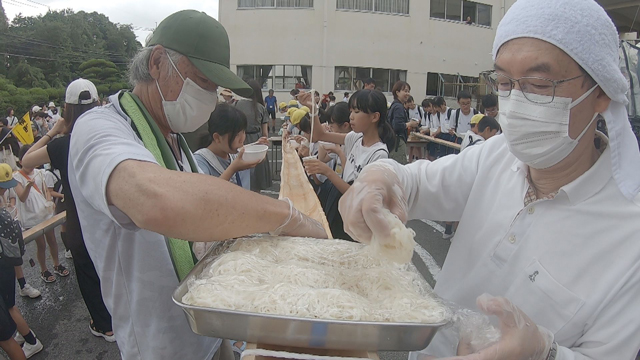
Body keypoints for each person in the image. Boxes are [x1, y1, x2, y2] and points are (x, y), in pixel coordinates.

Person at [339, 0, 640, 358]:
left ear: (602, 92)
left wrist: (544, 352)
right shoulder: (498, 155)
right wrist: (377, 177)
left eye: (540, 84)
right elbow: (414, 183)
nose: (517, 100)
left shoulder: (628, 238)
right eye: (504, 82)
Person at [67, 10, 326, 360]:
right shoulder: (100, 129)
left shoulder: (175, 140)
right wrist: (286, 216)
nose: (208, 97)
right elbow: (157, 202)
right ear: (157, 62)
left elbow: (206, 217)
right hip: (162, 346)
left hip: (208, 328)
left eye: (212, 88)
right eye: (201, 82)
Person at [21, 78, 115, 342]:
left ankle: (105, 326)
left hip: (79, 225)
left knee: (87, 275)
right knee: (110, 271)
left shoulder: (63, 144)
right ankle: (119, 317)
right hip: (109, 219)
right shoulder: (108, 136)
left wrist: (54, 131)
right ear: (97, 104)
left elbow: (26, 160)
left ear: (66, 109)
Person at [301, 89, 393, 241]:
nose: (351, 117)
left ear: (375, 117)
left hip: (358, 217)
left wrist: (327, 172)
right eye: (351, 111)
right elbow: (319, 135)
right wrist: (313, 110)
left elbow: (360, 196)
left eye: (356, 111)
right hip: (344, 206)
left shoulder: (379, 154)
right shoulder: (356, 138)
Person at [0, 163, 43, 359]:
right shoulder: (3, 205)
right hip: (8, 262)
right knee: (10, 306)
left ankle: (32, 342)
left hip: (2, 264)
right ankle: (26, 337)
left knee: (8, 309)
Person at [14, 145, 70, 283]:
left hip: (45, 213)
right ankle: (44, 269)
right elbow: (22, 197)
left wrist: (50, 201)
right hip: (32, 216)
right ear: (21, 161)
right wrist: (28, 186)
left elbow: (46, 191)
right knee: (41, 245)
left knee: (52, 240)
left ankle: (57, 264)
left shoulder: (40, 173)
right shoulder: (16, 177)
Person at [194, 103, 263, 190]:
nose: (242, 139)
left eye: (243, 132)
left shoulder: (234, 155)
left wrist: (258, 153)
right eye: (237, 134)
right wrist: (232, 169)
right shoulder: (200, 161)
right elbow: (206, 195)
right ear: (217, 138)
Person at [234, 80, 272, 192]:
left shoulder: (236, 104)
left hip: (239, 140)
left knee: (240, 172)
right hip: (257, 142)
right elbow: (265, 133)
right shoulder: (260, 108)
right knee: (256, 176)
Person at [388, 81, 416, 164]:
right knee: (399, 167)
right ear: (397, 92)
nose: (407, 94)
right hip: (398, 142)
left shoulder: (394, 105)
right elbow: (397, 126)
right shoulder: (399, 107)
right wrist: (410, 124)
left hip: (393, 140)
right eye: (405, 91)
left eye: (408, 91)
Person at [405, 96, 425, 161]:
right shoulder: (408, 110)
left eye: (411, 104)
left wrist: (419, 121)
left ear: (413, 101)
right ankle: (410, 160)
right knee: (411, 146)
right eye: (409, 105)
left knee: (418, 146)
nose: (410, 106)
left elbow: (423, 119)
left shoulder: (419, 109)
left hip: (418, 128)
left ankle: (419, 159)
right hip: (411, 128)